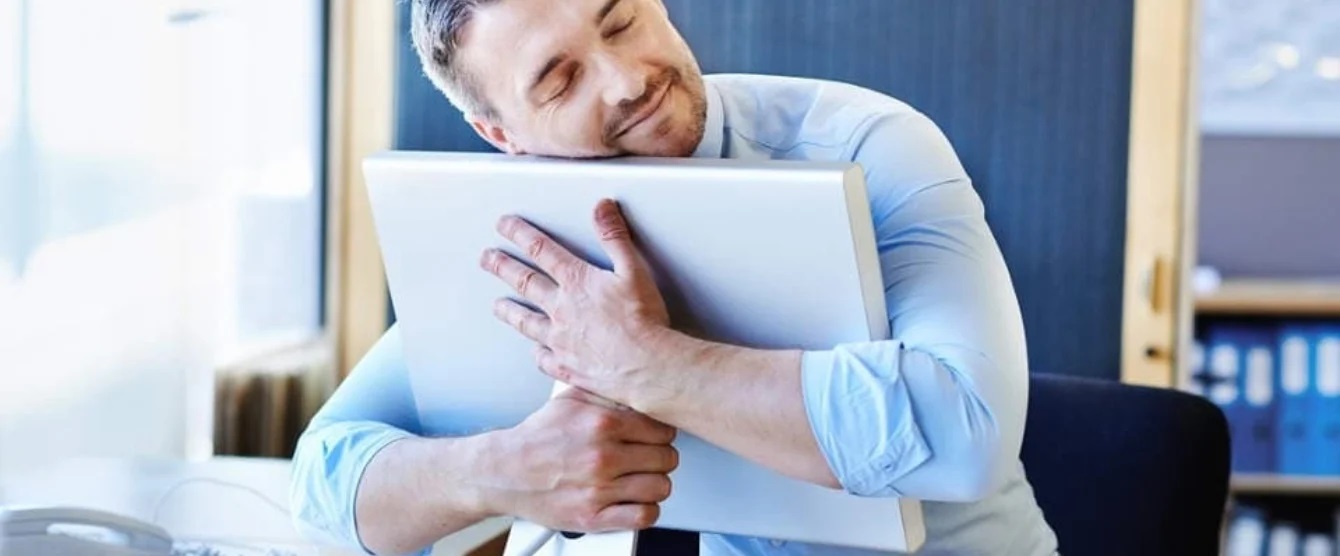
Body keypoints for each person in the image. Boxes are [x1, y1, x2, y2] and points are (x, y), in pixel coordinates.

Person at [290, 0, 1060, 554]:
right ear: (501, 135)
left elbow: (968, 432)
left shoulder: (870, 145)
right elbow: (323, 477)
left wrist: (646, 364)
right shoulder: (521, 226)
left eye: (620, 19)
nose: (626, 81)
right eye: (559, 81)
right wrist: (495, 472)